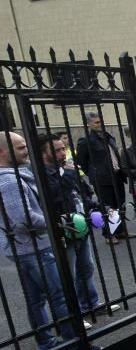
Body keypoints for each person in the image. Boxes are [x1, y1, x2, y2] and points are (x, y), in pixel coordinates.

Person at [0, 131, 86, 350]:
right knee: (60, 296)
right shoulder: (9, 180)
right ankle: (75, 346)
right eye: (19, 147)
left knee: (35, 299)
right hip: (34, 248)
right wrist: (55, 221)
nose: (26, 150)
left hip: (23, 249)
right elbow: (23, 220)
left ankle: (46, 343)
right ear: (2, 152)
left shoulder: (17, 174)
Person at [38, 134, 101, 317]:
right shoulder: (43, 175)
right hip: (62, 229)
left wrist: (93, 205)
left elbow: (81, 192)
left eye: (62, 149)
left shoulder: (66, 169)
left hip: (79, 223)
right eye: (56, 150)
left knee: (86, 267)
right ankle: (73, 313)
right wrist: (69, 175)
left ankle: (90, 303)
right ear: (43, 154)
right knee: (68, 274)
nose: (61, 153)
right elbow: (54, 196)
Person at [76, 111, 131, 240]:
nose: (100, 124)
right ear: (89, 124)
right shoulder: (86, 141)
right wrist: (94, 173)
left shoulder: (108, 137)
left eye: (101, 121)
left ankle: (120, 230)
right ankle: (109, 234)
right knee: (107, 206)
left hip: (117, 176)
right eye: (96, 122)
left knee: (119, 204)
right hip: (102, 179)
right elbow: (82, 162)